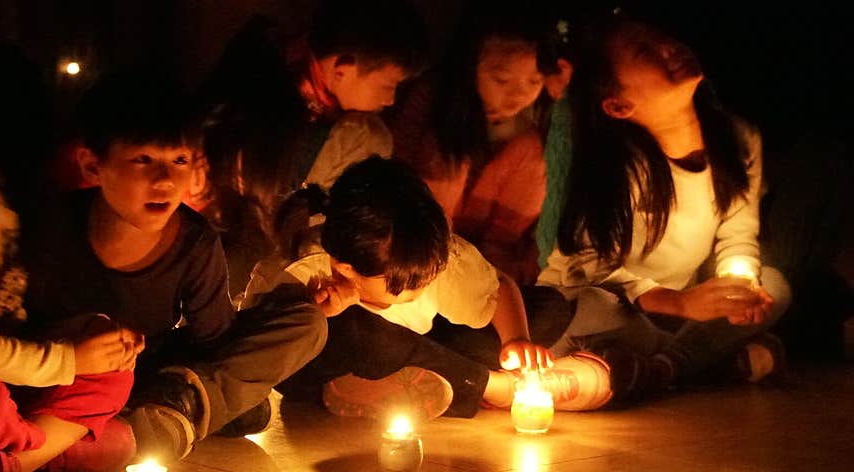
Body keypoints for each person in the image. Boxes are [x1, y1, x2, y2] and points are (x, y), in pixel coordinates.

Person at [21, 68, 326, 464]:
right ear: (93, 165)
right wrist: (75, 353)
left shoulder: (195, 242)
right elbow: (9, 336)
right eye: (143, 159)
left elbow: (212, 341)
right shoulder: (50, 229)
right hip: (66, 381)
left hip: (154, 380)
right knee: (243, 406)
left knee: (308, 324)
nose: (164, 179)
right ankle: (195, 415)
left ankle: (183, 409)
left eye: (179, 159)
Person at [243, 156, 621, 421]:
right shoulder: (304, 271)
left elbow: (499, 287)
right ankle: (486, 386)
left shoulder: (428, 253)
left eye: (427, 278)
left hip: (425, 350)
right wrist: (316, 314)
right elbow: (255, 348)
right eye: (405, 286)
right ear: (347, 268)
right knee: (364, 334)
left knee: (547, 306)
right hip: (325, 368)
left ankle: (392, 387)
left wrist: (515, 339)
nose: (421, 288)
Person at [537, 14, 791, 402]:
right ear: (619, 105)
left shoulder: (738, 141)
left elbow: (738, 234)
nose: (669, 48)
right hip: (613, 304)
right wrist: (673, 302)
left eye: (663, 38)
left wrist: (738, 288)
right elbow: (586, 265)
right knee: (599, 312)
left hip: (678, 308)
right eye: (644, 51)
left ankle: (660, 369)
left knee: (774, 285)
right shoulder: (616, 164)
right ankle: (704, 361)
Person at [0, 42, 142, 472]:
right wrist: (69, 361)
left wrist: (92, 345)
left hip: (7, 380)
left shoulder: (19, 202)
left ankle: (11, 457)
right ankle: (18, 465)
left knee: (107, 360)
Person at [197, 0, 429, 298]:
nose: (392, 99)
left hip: (243, 227)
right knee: (372, 137)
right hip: (231, 230)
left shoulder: (282, 61)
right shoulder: (274, 108)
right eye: (389, 85)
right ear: (343, 69)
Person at [390, 1, 573, 286]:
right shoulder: (434, 99)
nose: (517, 95)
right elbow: (396, 163)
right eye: (501, 79)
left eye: (533, 82)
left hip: (492, 253)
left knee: (535, 153)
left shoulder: (536, 124)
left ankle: (490, 280)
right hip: (423, 234)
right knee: (444, 148)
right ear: (470, 66)